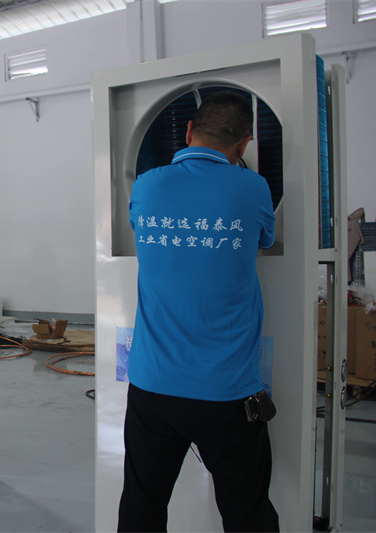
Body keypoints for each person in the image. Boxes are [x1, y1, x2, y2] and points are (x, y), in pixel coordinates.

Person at [118, 91, 279, 532]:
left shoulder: (147, 184)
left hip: (152, 388)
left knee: (141, 507)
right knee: (248, 514)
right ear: (244, 144)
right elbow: (265, 240)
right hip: (228, 393)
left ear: (188, 131)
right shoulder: (253, 188)